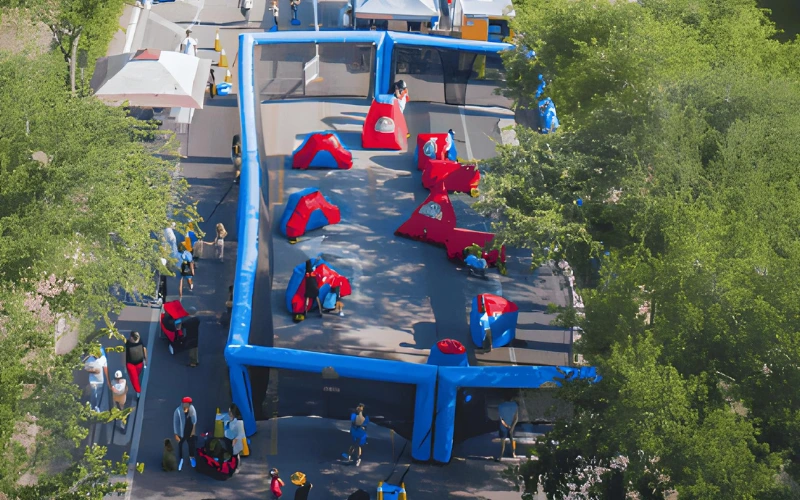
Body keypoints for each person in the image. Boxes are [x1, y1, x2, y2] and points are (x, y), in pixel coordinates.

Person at [173, 396, 198, 470]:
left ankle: (192, 457)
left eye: (189, 404)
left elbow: (194, 421)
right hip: (181, 432)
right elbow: (175, 423)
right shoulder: (178, 411)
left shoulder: (192, 409)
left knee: (191, 445)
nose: (187, 405)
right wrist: (176, 434)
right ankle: (181, 459)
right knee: (180, 445)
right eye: (186, 404)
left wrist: (193, 431)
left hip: (189, 431)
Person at [84, 345, 108, 412]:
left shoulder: (103, 358)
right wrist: (94, 371)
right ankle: (93, 408)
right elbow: (86, 368)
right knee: (94, 395)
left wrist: (108, 381)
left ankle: (97, 407)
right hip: (93, 381)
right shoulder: (89, 359)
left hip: (100, 381)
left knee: (99, 395)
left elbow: (105, 368)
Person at [125, 331, 147, 399]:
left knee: (135, 376)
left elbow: (144, 349)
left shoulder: (140, 341)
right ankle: (138, 391)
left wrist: (145, 360)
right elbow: (124, 353)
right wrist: (124, 365)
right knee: (135, 378)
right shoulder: (127, 343)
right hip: (130, 363)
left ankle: (136, 387)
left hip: (139, 363)